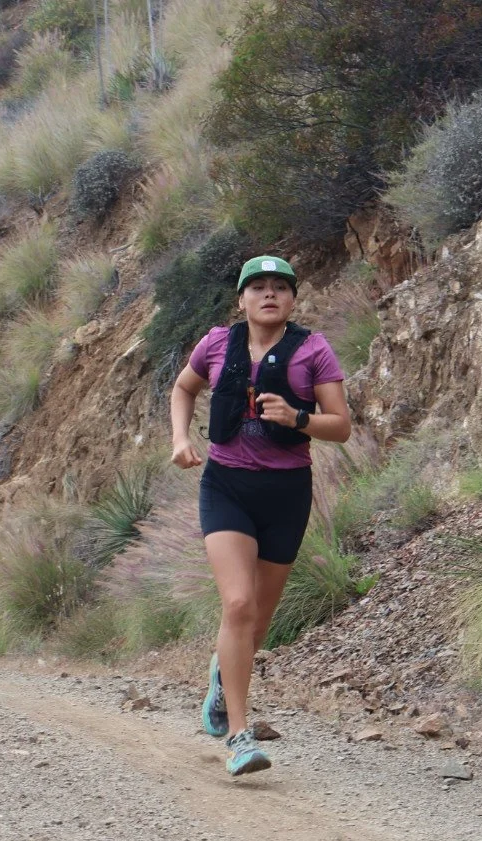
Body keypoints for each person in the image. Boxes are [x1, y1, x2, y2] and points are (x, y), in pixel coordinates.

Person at [168, 256, 352, 776]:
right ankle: (239, 735)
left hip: (287, 492)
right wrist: (181, 438)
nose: (269, 295)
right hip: (226, 487)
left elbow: (341, 427)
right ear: (242, 300)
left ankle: (223, 679)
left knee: (257, 620)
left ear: (293, 300)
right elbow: (183, 388)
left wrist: (298, 418)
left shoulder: (313, 350)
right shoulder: (216, 343)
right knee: (239, 601)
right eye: (258, 287)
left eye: (280, 287)